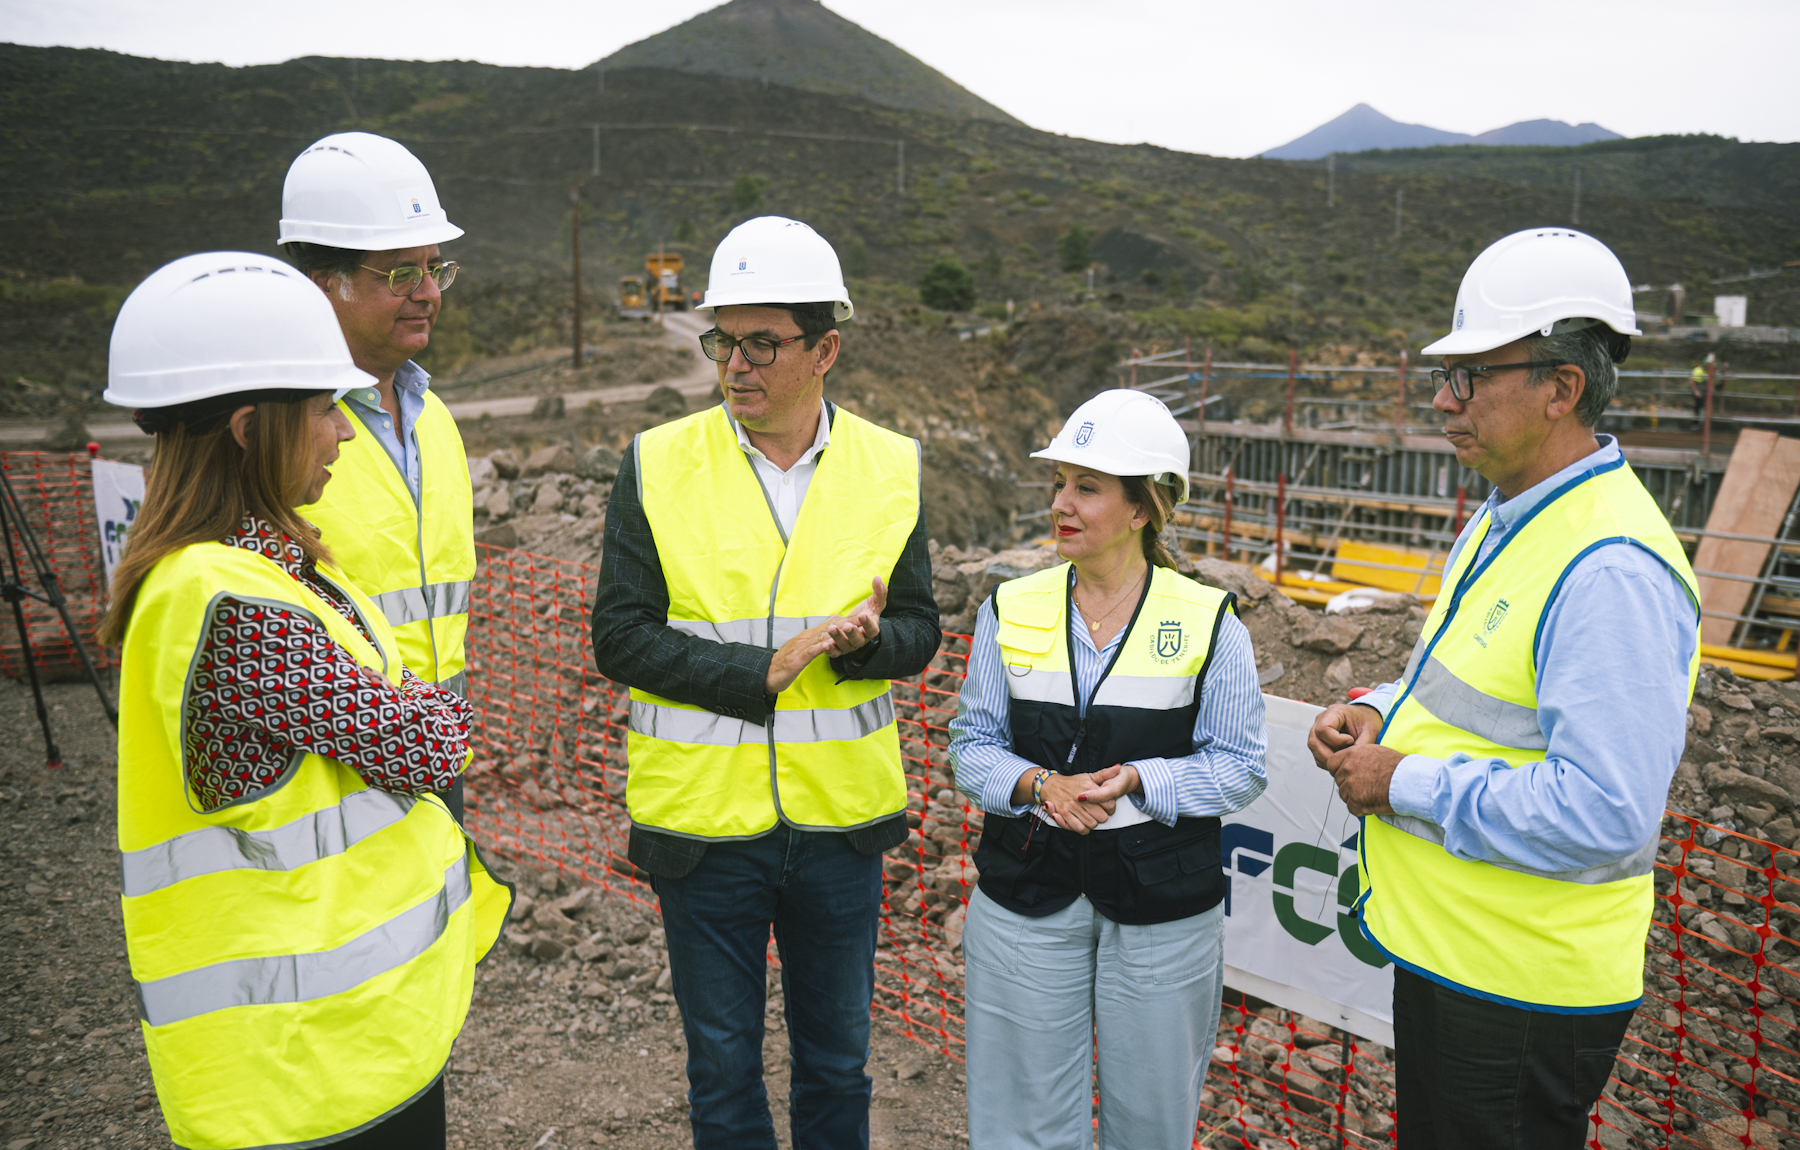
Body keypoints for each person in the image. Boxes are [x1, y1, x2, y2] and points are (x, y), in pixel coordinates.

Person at [100, 252, 510, 1150]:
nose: (346, 435)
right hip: (299, 1065)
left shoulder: (266, 570)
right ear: (251, 428)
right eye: (325, 410)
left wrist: (412, 705)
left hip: (345, 1041)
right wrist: (425, 707)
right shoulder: (235, 602)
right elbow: (430, 743)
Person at [1307, 228, 1700, 1149]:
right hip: (1464, 958)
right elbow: (1470, 676)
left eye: (1472, 375)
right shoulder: (1515, 515)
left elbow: (1607, 810)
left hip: (1524, 987)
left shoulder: (1612, 567)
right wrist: (1378, 708)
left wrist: (1398, 779)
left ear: (1562, 386)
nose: (1444, 400)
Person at [589, 216, 941, 1150]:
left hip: (840, 826)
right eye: (722, 342)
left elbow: (922, 627)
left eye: (761, 343)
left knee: (837, 1063)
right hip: (702, 830)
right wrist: (762, 671)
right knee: (722, 1070)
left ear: (825, 349)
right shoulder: (657, 463)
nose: (735, 365)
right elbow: (619, 636)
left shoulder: (891, 466)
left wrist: (870, 643)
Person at [949, 389, 1267, 1150]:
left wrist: (1144, 781)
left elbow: (1241, 767)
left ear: (1142, 507)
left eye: (1086, 487)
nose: (1062, 503)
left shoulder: (1208, 623)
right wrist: (1038, 787)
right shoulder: (1010, 607)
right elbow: (972, 745)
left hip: (1162, 910)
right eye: (1059, 483)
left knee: (1152, 1125)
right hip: (1026, 899)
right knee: (1020, 1124)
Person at [279, 132, 476, 819]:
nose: (427, 293)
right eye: (399, 274)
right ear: (321, 287)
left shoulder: (436, 421)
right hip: (322, 773)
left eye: (433, 268)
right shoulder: (272, 439)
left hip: (434, 753)